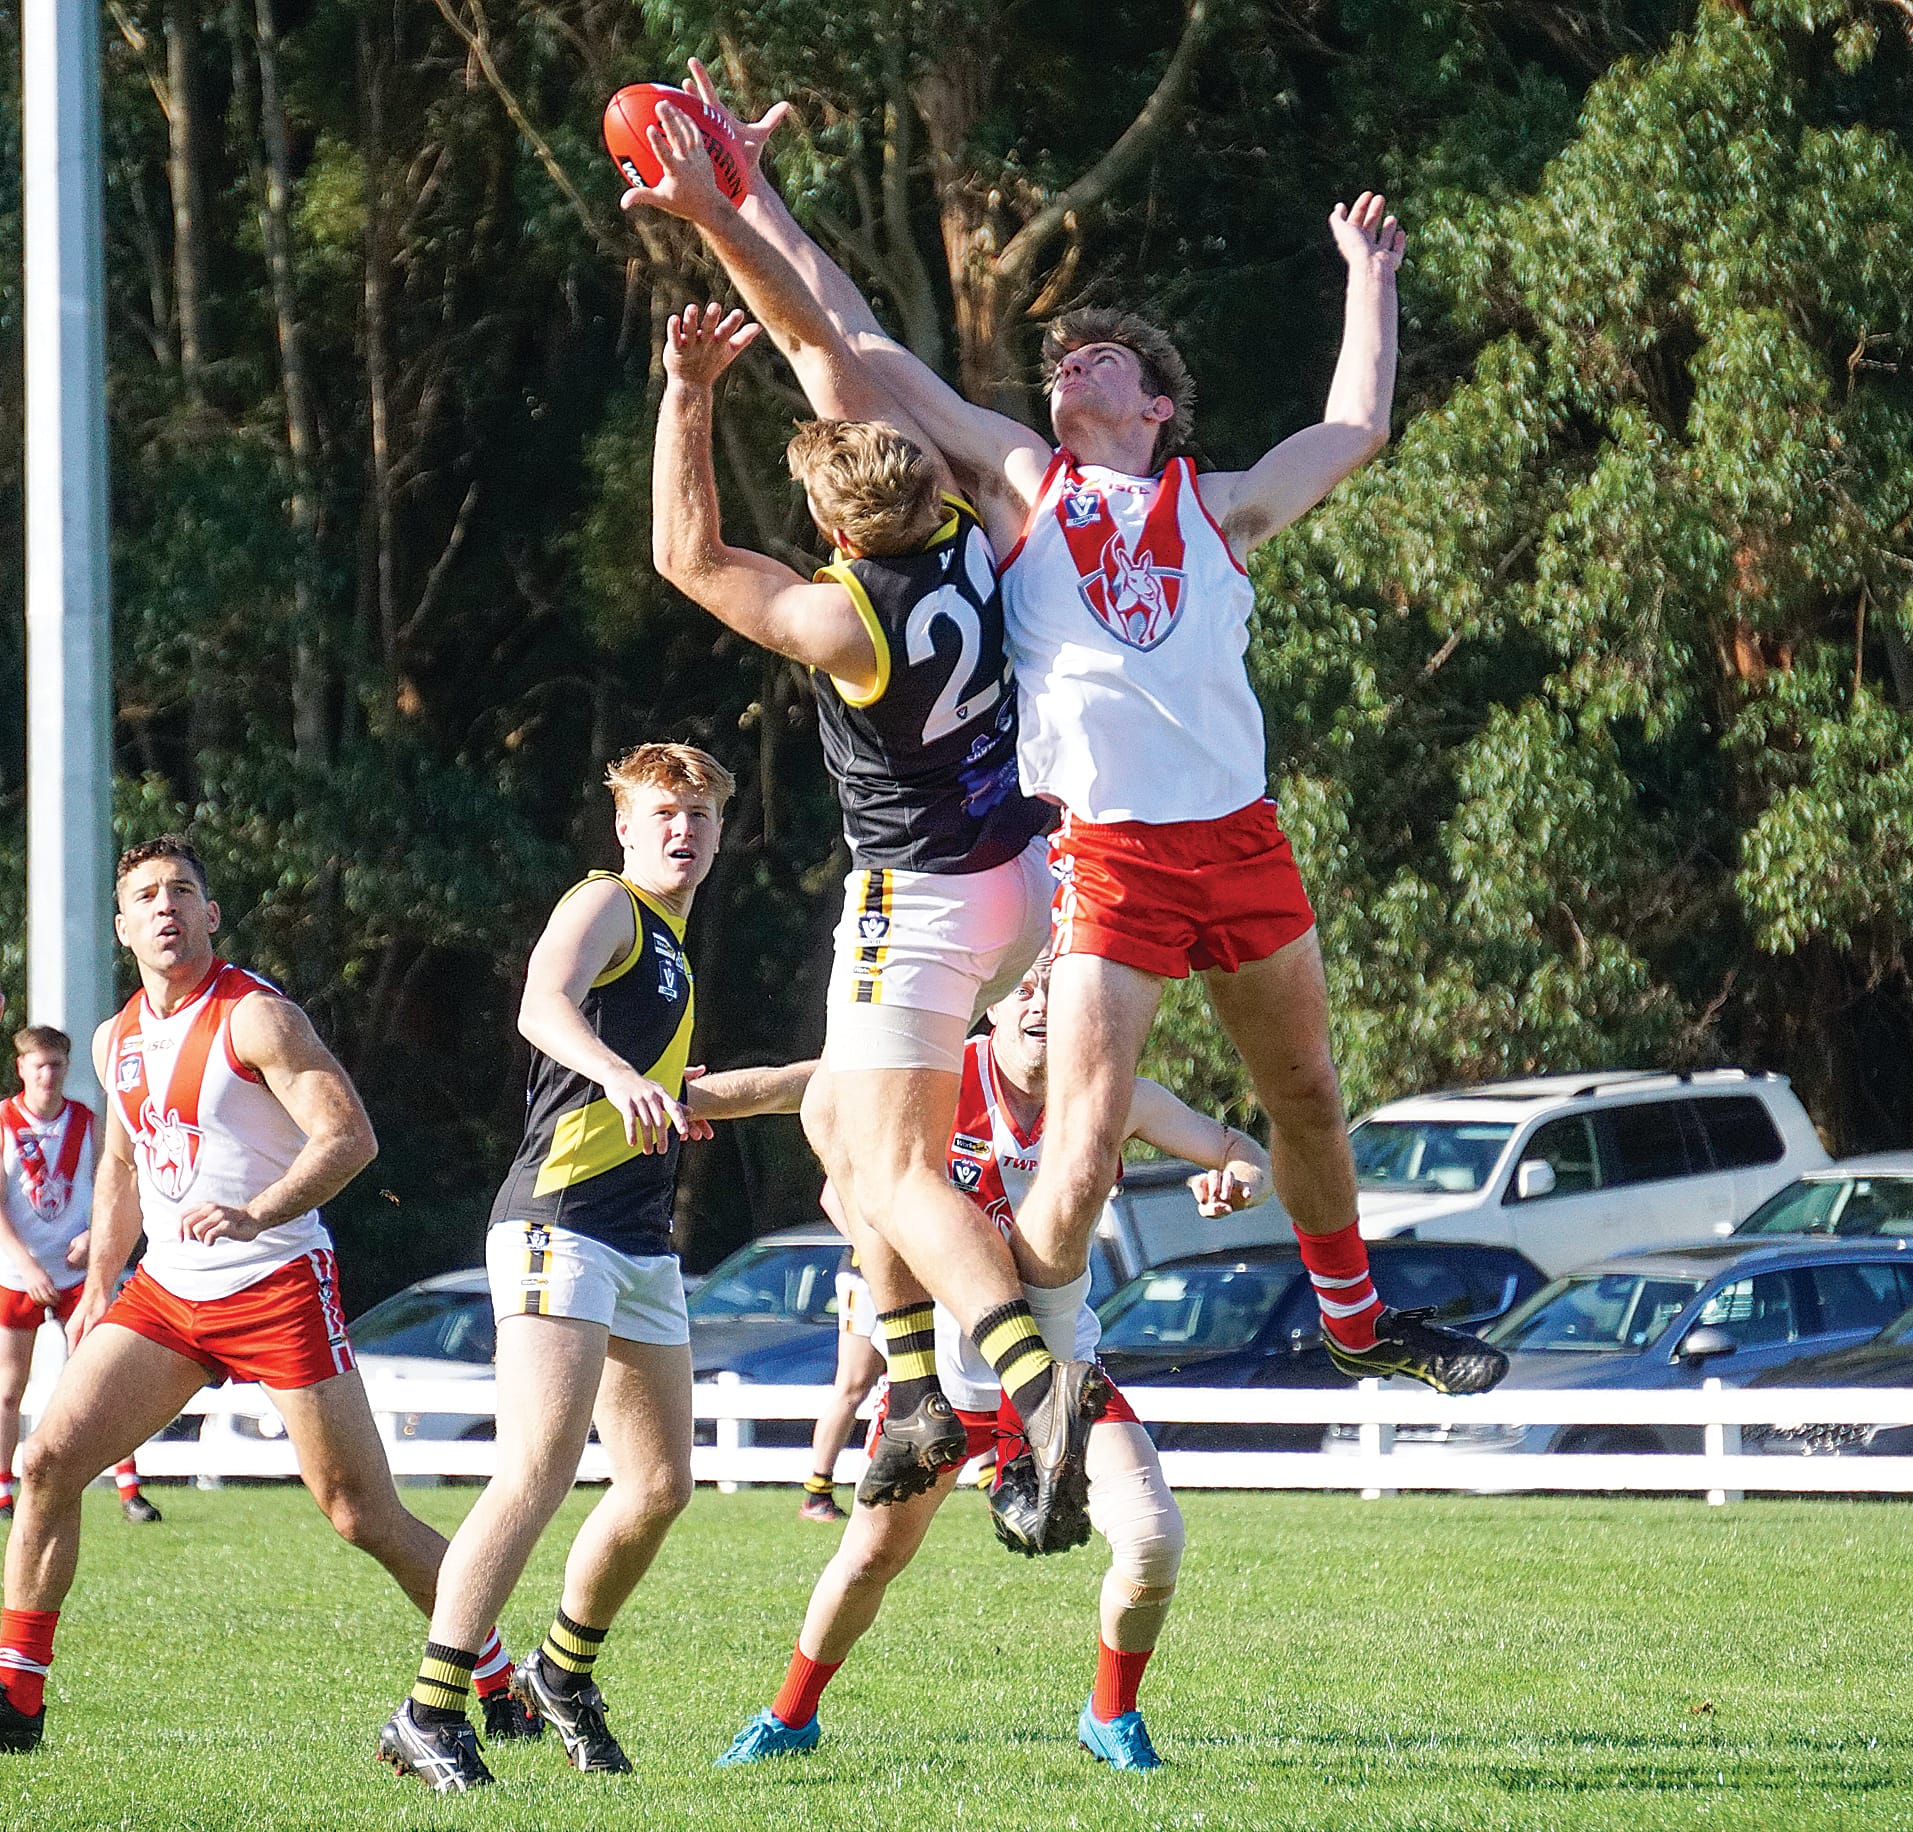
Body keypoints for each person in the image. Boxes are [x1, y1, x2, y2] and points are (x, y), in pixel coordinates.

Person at [636, 71, 1507, 1555]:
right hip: (1099, 855)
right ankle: (1014, 1420)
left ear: (1159, 406)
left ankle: (1356, 1323)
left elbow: (1355, 425)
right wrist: (741, 194)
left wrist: (1369, 277)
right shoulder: (1019, 483)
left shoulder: (1220, 504)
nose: (1068, 364)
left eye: (1098, 356)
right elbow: (838, 335)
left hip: (1242, 836)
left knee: (1303, 1098)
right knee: (1081, 1145)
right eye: (1058, 359)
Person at [643, 163, 1106, 1547]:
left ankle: (1026, 1396)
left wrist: (687, 391)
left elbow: (686, 554)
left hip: (926, 903)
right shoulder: (971, 516)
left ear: (839, 531)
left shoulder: (845, 619)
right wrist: (740, 202)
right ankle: (910, 1392)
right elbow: (837, 337)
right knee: (846, 1132)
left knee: (895, 1172)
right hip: (1020, 877)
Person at [0, 836, 533, 1754]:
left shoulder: (258, 1017)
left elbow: (349, 1138)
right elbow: (122, 1164)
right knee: (47, 1461)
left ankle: (497, 1679)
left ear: (211, 915)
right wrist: (98, 1289)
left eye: (183, 893)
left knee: (360, 1514)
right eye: (146, 897)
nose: (166, 908)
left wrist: (257, 1212)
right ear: (122, 925)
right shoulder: (113, 1038)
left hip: (278, 1282)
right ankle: (16, 1703)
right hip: (166, 1296)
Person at [377, 742, 814, 1794]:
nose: (684, 828)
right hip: (558, 1220)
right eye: (665, 810)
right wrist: (620, 1076)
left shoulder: (673, 947)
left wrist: (839, 1077)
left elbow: (696, 1092)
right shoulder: (604, 903)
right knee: (536, 1464)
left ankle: (562, 1671)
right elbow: (539, 1004)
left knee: (661, 1484)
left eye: (702, 812)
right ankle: (430, 1707)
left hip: (634, 1238)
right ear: (624, 825)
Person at [717, 951, 1270, 1772]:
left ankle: (1109, 1714)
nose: (1042, 1000)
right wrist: (676, 1095)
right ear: (990, 1005)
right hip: (936, 1385)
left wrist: (1237, 1180)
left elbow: (1237, 1148)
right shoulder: (938, 1076)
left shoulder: (1110, 1091)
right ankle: (791, 1715)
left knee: (1154, 1541)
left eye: (1060, 985)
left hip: (1056, 1374)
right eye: (1027, 984)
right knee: (867, 1558)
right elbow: (805, 1084)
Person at [0, 1022, 159, 1524]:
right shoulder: (4, 1121)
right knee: (8, 1387)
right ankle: (4, 1491)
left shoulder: (88, 1122)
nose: (49, 1075)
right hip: (17, 1272)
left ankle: (128, 1488)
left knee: (101, 1378)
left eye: (57, 1065)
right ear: (21, 1068)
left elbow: (114, 1188)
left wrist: (94, 1237)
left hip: (79, 1274)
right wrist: (26, 1265)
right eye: (39, 1065)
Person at [798, 1233, 883, 1524]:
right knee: (853, 1384)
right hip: (865, 1272)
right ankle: (817, 1491)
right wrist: (866, 1237)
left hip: (905, 1266)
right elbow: (831, 1199)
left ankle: (991, 1480)